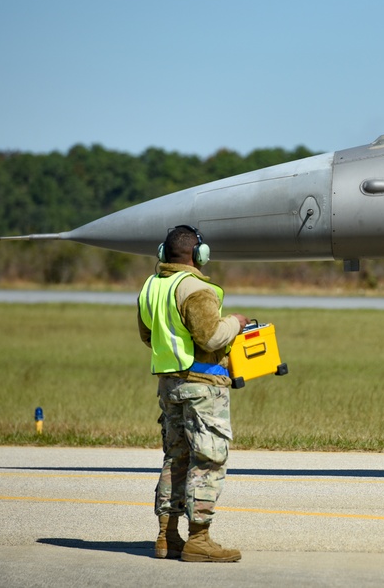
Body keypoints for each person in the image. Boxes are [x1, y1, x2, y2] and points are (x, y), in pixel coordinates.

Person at [137, 224, 248, 562]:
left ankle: (166, 537)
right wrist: (237, 323)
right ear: (199, 255)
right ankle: (199, 539)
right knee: (209, 458)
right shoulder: (196, 289)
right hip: (202, 387)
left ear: (163, 253)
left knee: (176, 458)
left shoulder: (152, 287)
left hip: (168, 385)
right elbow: (212, 338)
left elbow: (147, 336)